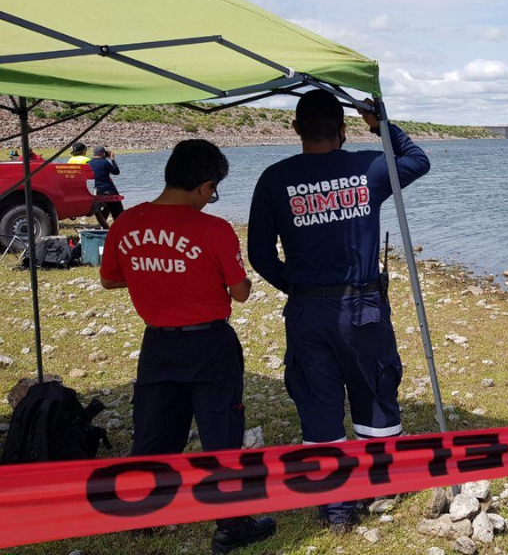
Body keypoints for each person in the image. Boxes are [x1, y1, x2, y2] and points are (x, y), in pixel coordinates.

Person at [248, 90, 429, 533]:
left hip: (308, 308)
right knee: (374, 384)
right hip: (362, 304)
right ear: (342, 129)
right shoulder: (366, 166)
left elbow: (260, 254)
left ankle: (335, 504)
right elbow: (418, 159)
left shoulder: (275, 179)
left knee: (318, 397)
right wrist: (379, 122)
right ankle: (380, 480)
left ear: (296, 129)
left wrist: (296, 286)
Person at [99, 139, 276, 554]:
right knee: (221, 431)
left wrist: (156, 277)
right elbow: (240, 292)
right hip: (209, 343)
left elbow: (110, 278)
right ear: (204, 186)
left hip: (157, 342)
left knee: (155, 430)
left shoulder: (127, 223)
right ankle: (231, 525)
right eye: (213, 192)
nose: (212, 199)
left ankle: (143, 510)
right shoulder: (213, 228)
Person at [89, 145, 124, 221]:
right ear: (103, 154)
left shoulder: (88, 163)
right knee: (118, 210)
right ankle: (120, 224)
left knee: (107, 206)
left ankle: (102, 224)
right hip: (108, 192)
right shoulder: (105, 162)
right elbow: (116, 172)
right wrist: (112, 159)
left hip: (95, 192)